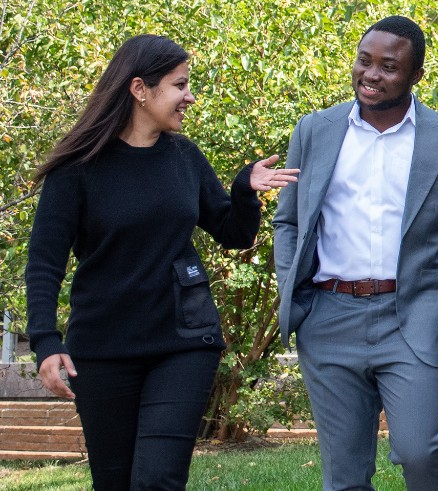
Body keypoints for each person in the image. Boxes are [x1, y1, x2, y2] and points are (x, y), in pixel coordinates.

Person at [25, 34, 297, 489]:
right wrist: (45, 342)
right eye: (180, 85)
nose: (189, 96)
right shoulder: (76, 169)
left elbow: (234, 234)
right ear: (139, 89)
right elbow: (44, 262)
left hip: (183, 344)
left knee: (157, 480)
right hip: (102, 349)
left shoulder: (184, 157)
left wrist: (245, 191)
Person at [272, 15, 438, 491]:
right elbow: (289, 221)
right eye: (364, 61)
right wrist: (297, 298)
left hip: (412, 318)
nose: (371, 74)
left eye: (388, 66)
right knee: (345, 474)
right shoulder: (313, 131)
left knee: (419, 451)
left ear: (415, 75)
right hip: (328, 317)